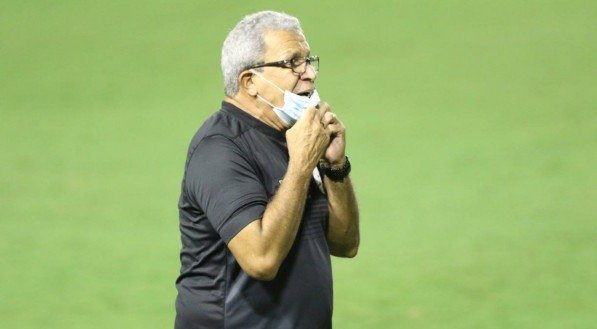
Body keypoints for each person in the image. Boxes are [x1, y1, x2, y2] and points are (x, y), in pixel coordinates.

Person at [175, 10, 360, 329]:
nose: (309, 74)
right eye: (292, 63)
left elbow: (345, 245)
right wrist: (302, 164)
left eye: (308, 60)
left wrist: (334, 167)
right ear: (250, 82)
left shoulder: (293, 136)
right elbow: (261, 260)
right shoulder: (219, 150)